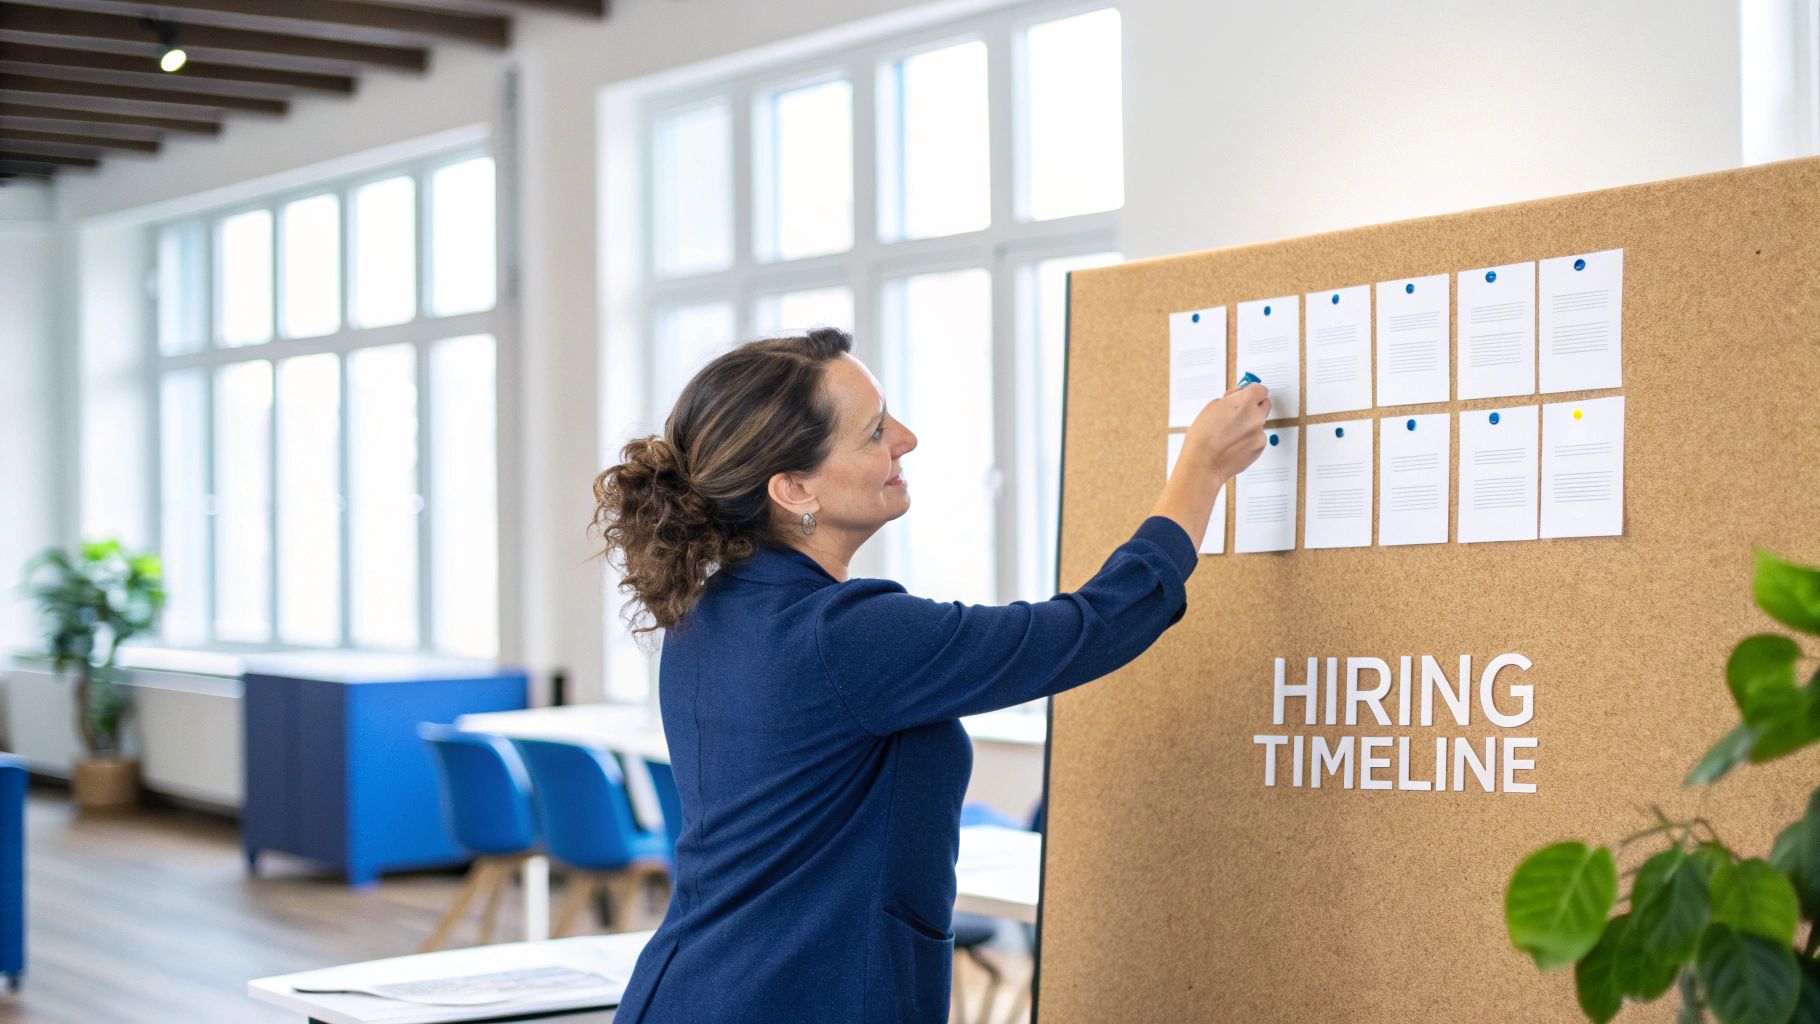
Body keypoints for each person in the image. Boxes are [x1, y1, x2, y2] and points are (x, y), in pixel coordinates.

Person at [592, 327, 1269, 1022]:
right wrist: (1202, 470)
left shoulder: (709, 615)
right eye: (875, 432)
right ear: (794, 487)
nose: (906, 440)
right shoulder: (843, 634)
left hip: (697, 990)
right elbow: (1088, 627)